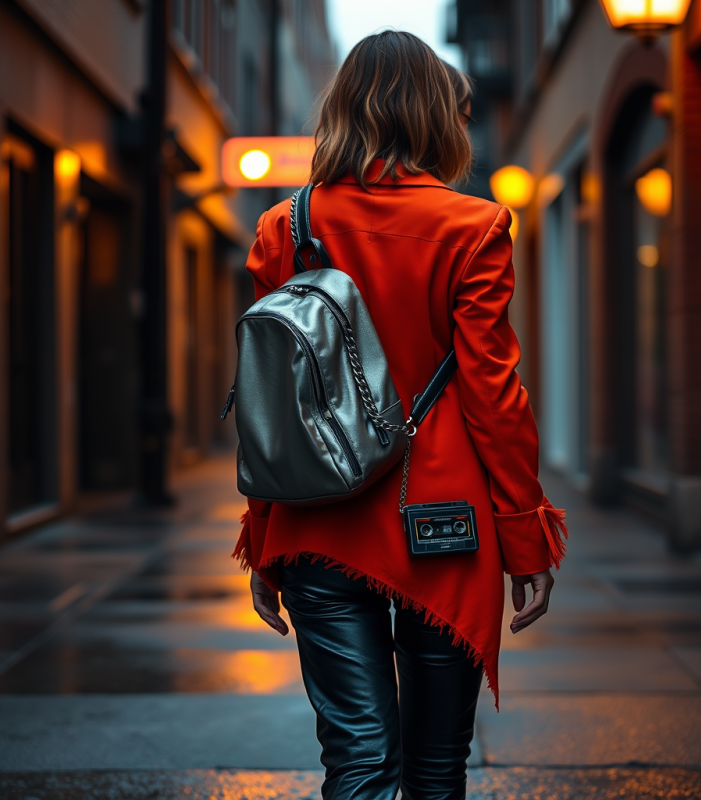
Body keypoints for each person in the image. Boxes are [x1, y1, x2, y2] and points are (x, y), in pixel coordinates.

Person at [233, 31, 567, 800]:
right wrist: (526, 536)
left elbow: (269, 407)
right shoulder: (472, 228)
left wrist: (261, 533)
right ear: (436, 117)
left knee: (358, 762)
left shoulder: (284, 230)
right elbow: (494, 396)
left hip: (319, 521)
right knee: (435, 766)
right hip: (442, 522)